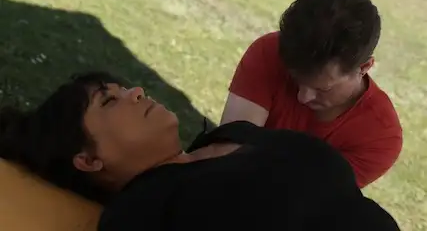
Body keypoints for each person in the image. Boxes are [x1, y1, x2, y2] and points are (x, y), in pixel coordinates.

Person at [0, 72, 400, 230]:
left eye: (124, 88)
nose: (136, 91)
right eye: (109, 100)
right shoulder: (144, 214)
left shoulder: (230, 137)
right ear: (89, 159)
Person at [221, 0, 402, 189]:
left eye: (323, 89)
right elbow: (226, 155)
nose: (303, 97)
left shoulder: (379, 137)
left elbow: (298, 197)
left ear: (364, 68)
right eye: (296, 79)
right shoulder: (270, 52)